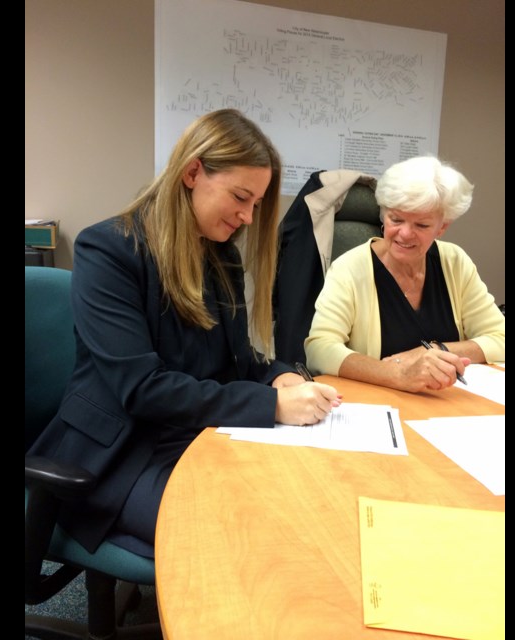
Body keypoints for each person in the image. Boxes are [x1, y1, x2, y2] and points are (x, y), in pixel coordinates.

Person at [28, 109, 341, 557]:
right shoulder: (109, 250)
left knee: (293, 500)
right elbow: (143, 389)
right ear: (193, 172)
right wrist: (272, 405)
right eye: (240, 197)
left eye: (255, 204)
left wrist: (278, 376)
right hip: (120, 454)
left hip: (195, 434)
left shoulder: (219, 256)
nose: (249, 217)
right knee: (241, 536)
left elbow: (237, 359)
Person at [303, 155, 504, 393]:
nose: (405, 234)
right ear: (383, 214)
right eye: (396, 219)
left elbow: (499, 337)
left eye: (421, 225)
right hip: (380, 406)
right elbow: (319, 350)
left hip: (446, 407)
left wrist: (435, 351)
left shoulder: (455, 262)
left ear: (442, 227)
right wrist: (399, 374)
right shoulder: (349, 268)